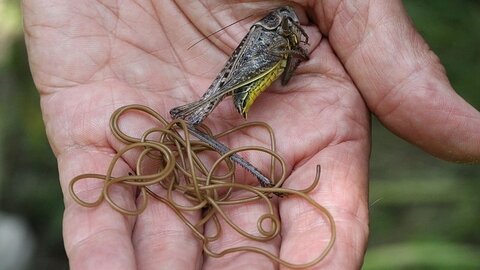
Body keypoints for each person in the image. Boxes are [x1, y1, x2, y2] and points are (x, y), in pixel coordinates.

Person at [23, 1, 480, 269]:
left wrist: (293, 52)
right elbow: (276, 64)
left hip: (258, 74)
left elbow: (286, 70)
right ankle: (203, 134)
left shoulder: (282, 27)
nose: (288, 22)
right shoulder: (270, 33)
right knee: (202, 116)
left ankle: (217, 147)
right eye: (282, 22)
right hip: (234, 82)